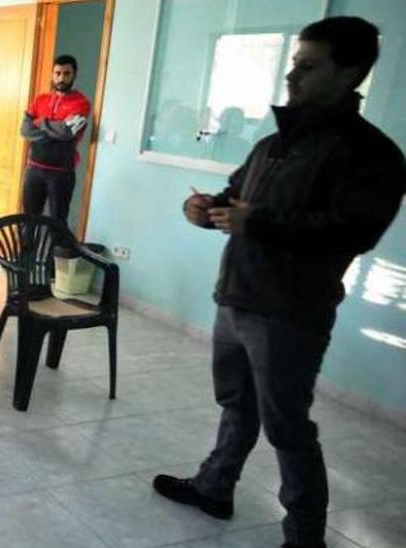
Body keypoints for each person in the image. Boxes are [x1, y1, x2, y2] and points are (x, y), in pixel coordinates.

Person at [159, 17, 405, 548]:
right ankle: (214, 486)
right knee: (236, 405)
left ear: (351, 73)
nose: (292, 76)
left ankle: (304, 536)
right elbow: (232, 199)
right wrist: (201, 210)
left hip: (290, 313)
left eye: (308, 66)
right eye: (294, 63)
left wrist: (258, 223)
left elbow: (355, 231)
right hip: (235, 296)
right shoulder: (273, 144)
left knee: (288, 428)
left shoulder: (372, 154)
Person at [19, 54, 91, 224]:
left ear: (74, 75)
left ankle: (53, 251)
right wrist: (54, 129)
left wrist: (41, 122)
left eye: (66, 74)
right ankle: (27, 251)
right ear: (52, 74)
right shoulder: (40, 100)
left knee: (57, 222)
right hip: (34, 169)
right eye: (57, 73)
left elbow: (67, 132)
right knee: (28, 220)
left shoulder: (81, 103)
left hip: (61, 173)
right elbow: (25, 129)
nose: (61, 78)